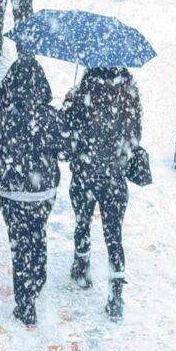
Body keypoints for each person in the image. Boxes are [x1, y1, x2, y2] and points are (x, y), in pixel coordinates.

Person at [0, 58, 63, 326]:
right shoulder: (50, 116)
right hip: (43, 192)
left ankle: (25, 302)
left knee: (19, 242)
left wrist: (4, 156)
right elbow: (65, 151)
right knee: (38, 234)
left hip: (12, 192)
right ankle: (36, 281)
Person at [60, 67, 143, 322]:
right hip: (114, 179)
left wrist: (69, 102)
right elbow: (135, 138)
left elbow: (67, 135)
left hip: (85, 174)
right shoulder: (129, 97)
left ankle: (81, 266)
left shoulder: (84, 94)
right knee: (114, 235)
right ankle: (116, 294)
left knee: (82, 221)